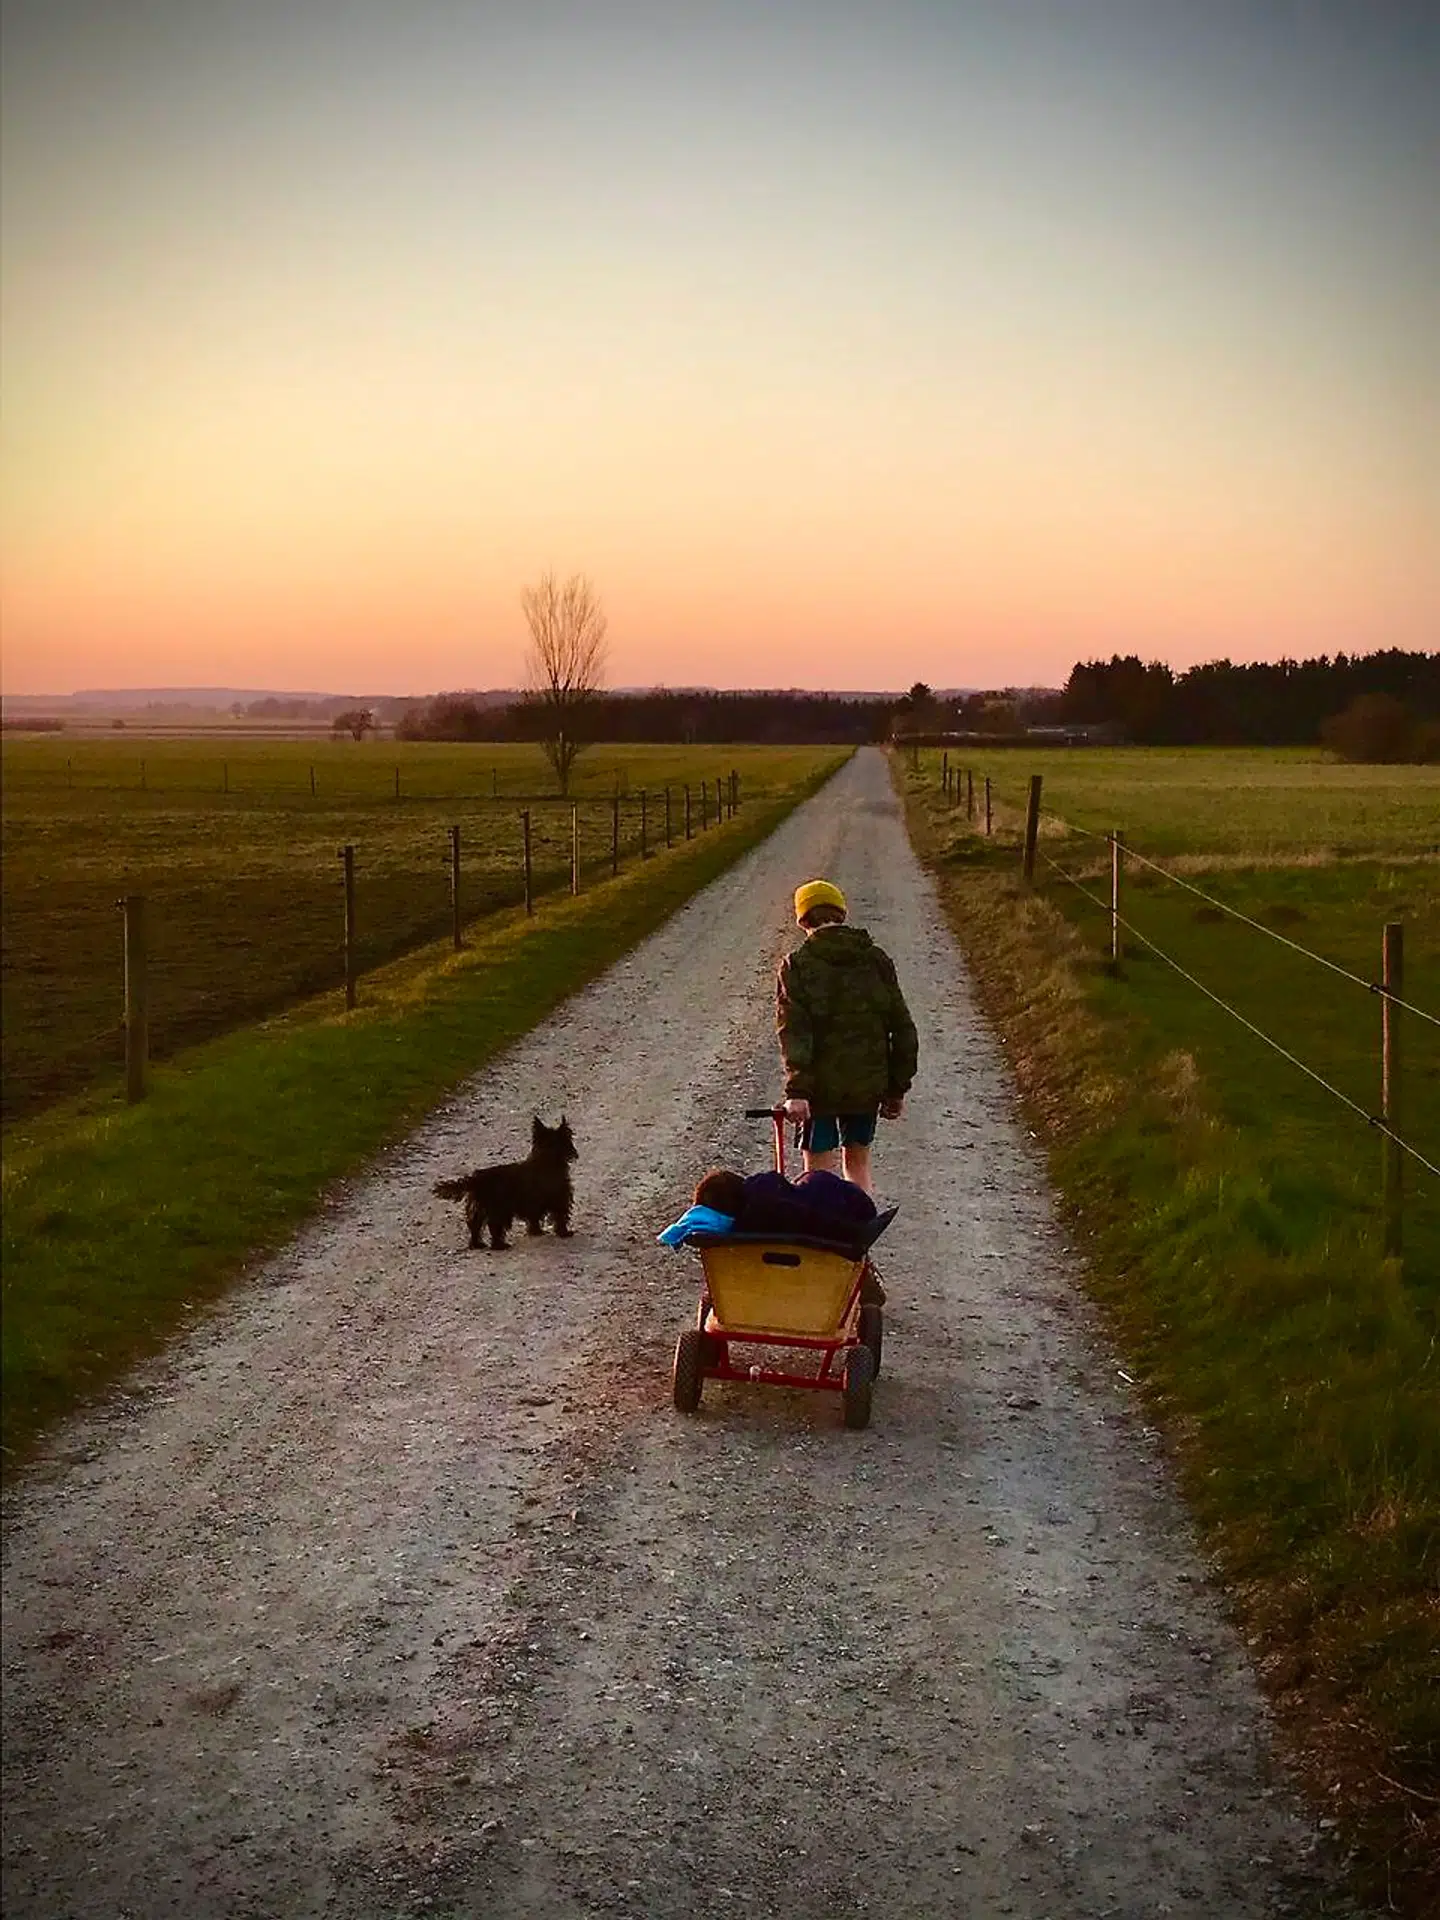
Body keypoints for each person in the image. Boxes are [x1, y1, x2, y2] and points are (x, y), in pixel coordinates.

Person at [776, 880, 917, 1197]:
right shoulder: (876, 960)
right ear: (841, 913)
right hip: (868, 1086)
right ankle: (859, 1238)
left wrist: (797, 1090)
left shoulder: (797, 965)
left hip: (819, 1092)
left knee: (818, 1173)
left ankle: (823, 1240)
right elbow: (903, 1027)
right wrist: (897, 1088)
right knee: (858, 1165)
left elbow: (794, 1031)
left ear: (803, 921)